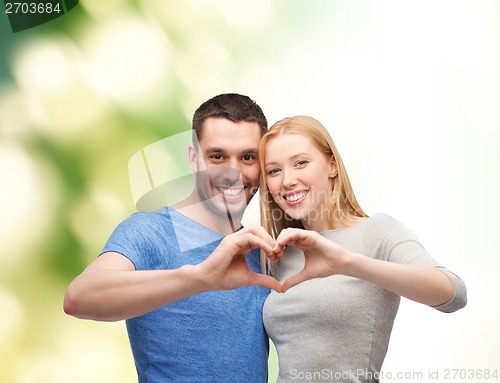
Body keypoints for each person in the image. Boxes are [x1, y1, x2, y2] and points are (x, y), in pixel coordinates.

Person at [63, 93, 281, 383]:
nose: (234, 172)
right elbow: (79, 298)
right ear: (193, 158)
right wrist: (201, 277)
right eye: (217, 157)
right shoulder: (150, 231)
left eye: (248, 157)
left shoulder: (261, 251)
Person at [259, 115, 467, 383]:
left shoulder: (376, 232)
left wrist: (345, 262)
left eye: (301, 163)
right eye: (274, 171)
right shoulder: (279, 254)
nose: (287, 180)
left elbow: (454, 293)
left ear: (332, 165)